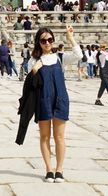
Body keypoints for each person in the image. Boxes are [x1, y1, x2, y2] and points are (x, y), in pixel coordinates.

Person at [28, 25, 82, 183]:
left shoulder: (60, 57)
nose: (47, 43)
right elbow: (29, 81)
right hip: (43, 100)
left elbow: (78, 55)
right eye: (43, 40)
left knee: (59, 136)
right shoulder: (34, 60)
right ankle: (48, 169)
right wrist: (35, 70)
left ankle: (59, 169)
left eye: (50, 39)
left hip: (60, 99)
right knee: (44, 136)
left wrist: (70, 37)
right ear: (38, 42)